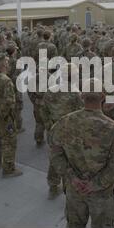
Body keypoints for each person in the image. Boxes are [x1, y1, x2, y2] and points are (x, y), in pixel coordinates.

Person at [49, 78, 114, 228]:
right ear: (103, 96)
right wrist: (94, 184)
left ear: (81, 96)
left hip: (74, 189)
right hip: (102, 194)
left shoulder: (64, 123)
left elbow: (55, 155)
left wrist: (72, 177)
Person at [42, 63, 84, 199]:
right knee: (70, 161)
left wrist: (49, 125)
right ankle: (68, 189)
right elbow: (80, 115)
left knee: (55, 157)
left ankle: (53, 186)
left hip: (54, 129)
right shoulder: (75, 94)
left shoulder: (51, 90)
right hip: (69, 132)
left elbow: (43, 110)